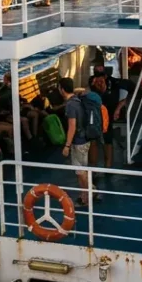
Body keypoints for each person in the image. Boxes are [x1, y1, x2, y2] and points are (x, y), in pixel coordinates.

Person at [58, 77, 99, 205]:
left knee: (80, 172)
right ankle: (84, 195)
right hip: (85, 139)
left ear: (62, 89)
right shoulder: (78, 99)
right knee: (81, 170)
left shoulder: (70, 105)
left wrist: (67, 145)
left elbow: (72, 126)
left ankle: (91, 192)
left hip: (78, 142)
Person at [88, 70, 117, 168]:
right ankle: (93, 168)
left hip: (106, 123)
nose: (100, 84)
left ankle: (108, 166)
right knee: (93, 142)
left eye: (102, 82)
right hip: (94, 123)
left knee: (108, 143)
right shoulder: (92, 96)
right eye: (97, 82)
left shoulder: (110, 94)